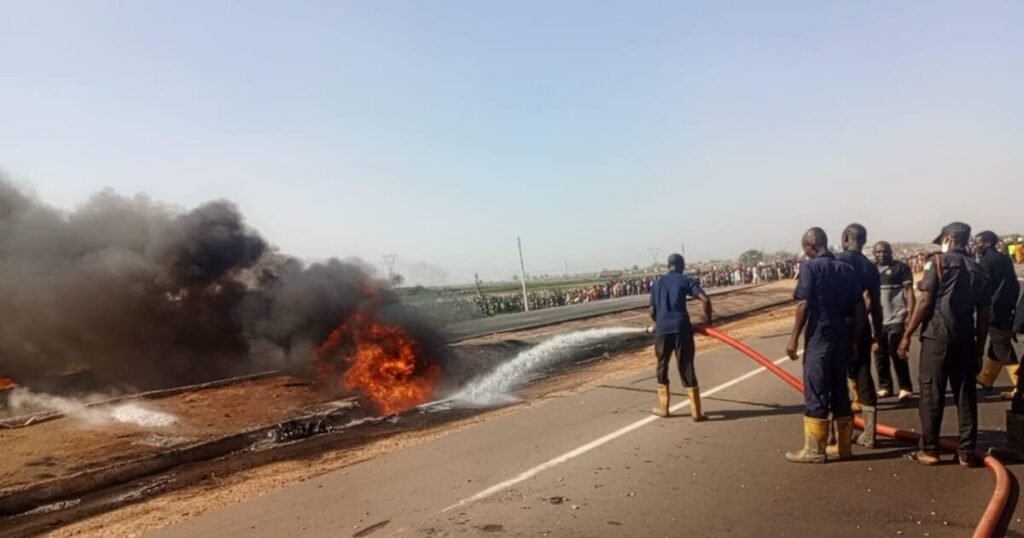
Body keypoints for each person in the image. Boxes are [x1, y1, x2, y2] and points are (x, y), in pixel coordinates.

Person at [899, 222, 990, 467]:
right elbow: (983, 315)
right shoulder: (978, 269)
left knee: (931, 393)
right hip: (966, 340)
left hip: (937, 338)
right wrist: (979, 349)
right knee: (965, 395)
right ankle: (966, 452)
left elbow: (925, 301)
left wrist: (907, 334)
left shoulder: (937, 262)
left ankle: (929, 450)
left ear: (949, 238)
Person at [785, 227, 863, 463]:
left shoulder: (811, 268)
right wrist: (854, 340)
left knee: (816, 390)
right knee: (839, 391)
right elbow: (860, 309)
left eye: (805, 248)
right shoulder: (846, 269)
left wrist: (794, 338)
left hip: (819, 338)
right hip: (841, 337)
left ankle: (814, 450)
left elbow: (803, 304)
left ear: (811, 244)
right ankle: (844, 447)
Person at [649, 253, 713, 421]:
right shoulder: (685, 280)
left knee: (662, 365)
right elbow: (705, 300)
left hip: (662, 331)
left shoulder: (657, 284)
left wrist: (660, 322)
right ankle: (696, 412)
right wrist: (707, 321)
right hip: (682, 329)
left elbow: (652, 311)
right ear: (681, 265)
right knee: (686, 366)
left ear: (667, 265)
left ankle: (664, 408)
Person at [836, 223, 884, 448]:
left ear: (846, 237)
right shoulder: (869, 267)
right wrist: (878, 333)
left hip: (838, 326)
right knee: (865, 374)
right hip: (862, 326)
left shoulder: (837, 261)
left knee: (835, 378)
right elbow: (875, 305)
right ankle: (870, 434)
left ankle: (840, 436)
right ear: (864, 241)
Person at [974, 231, 1021, 399]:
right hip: (1006, 306)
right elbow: (1014, 285)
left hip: (993, 308)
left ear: (987, 244)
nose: (975, 245)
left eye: (978, 243)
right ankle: (987, 378)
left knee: (1003, 347)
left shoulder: (986, 261)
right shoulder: (1004, 259)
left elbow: (983, 286)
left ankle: (1020, 385)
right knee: (996, 345)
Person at [873, 241, 916, 401]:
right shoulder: (872, 270)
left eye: (884, 252)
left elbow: (909, 293)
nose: (881, 255)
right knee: (879, 354)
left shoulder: (901, 268)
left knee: (897, 352)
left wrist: (910, 314)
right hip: (878, 320)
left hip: (897, 317)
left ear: (890, 252)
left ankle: (905, 387)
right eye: (878, 252)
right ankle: (885, 386)